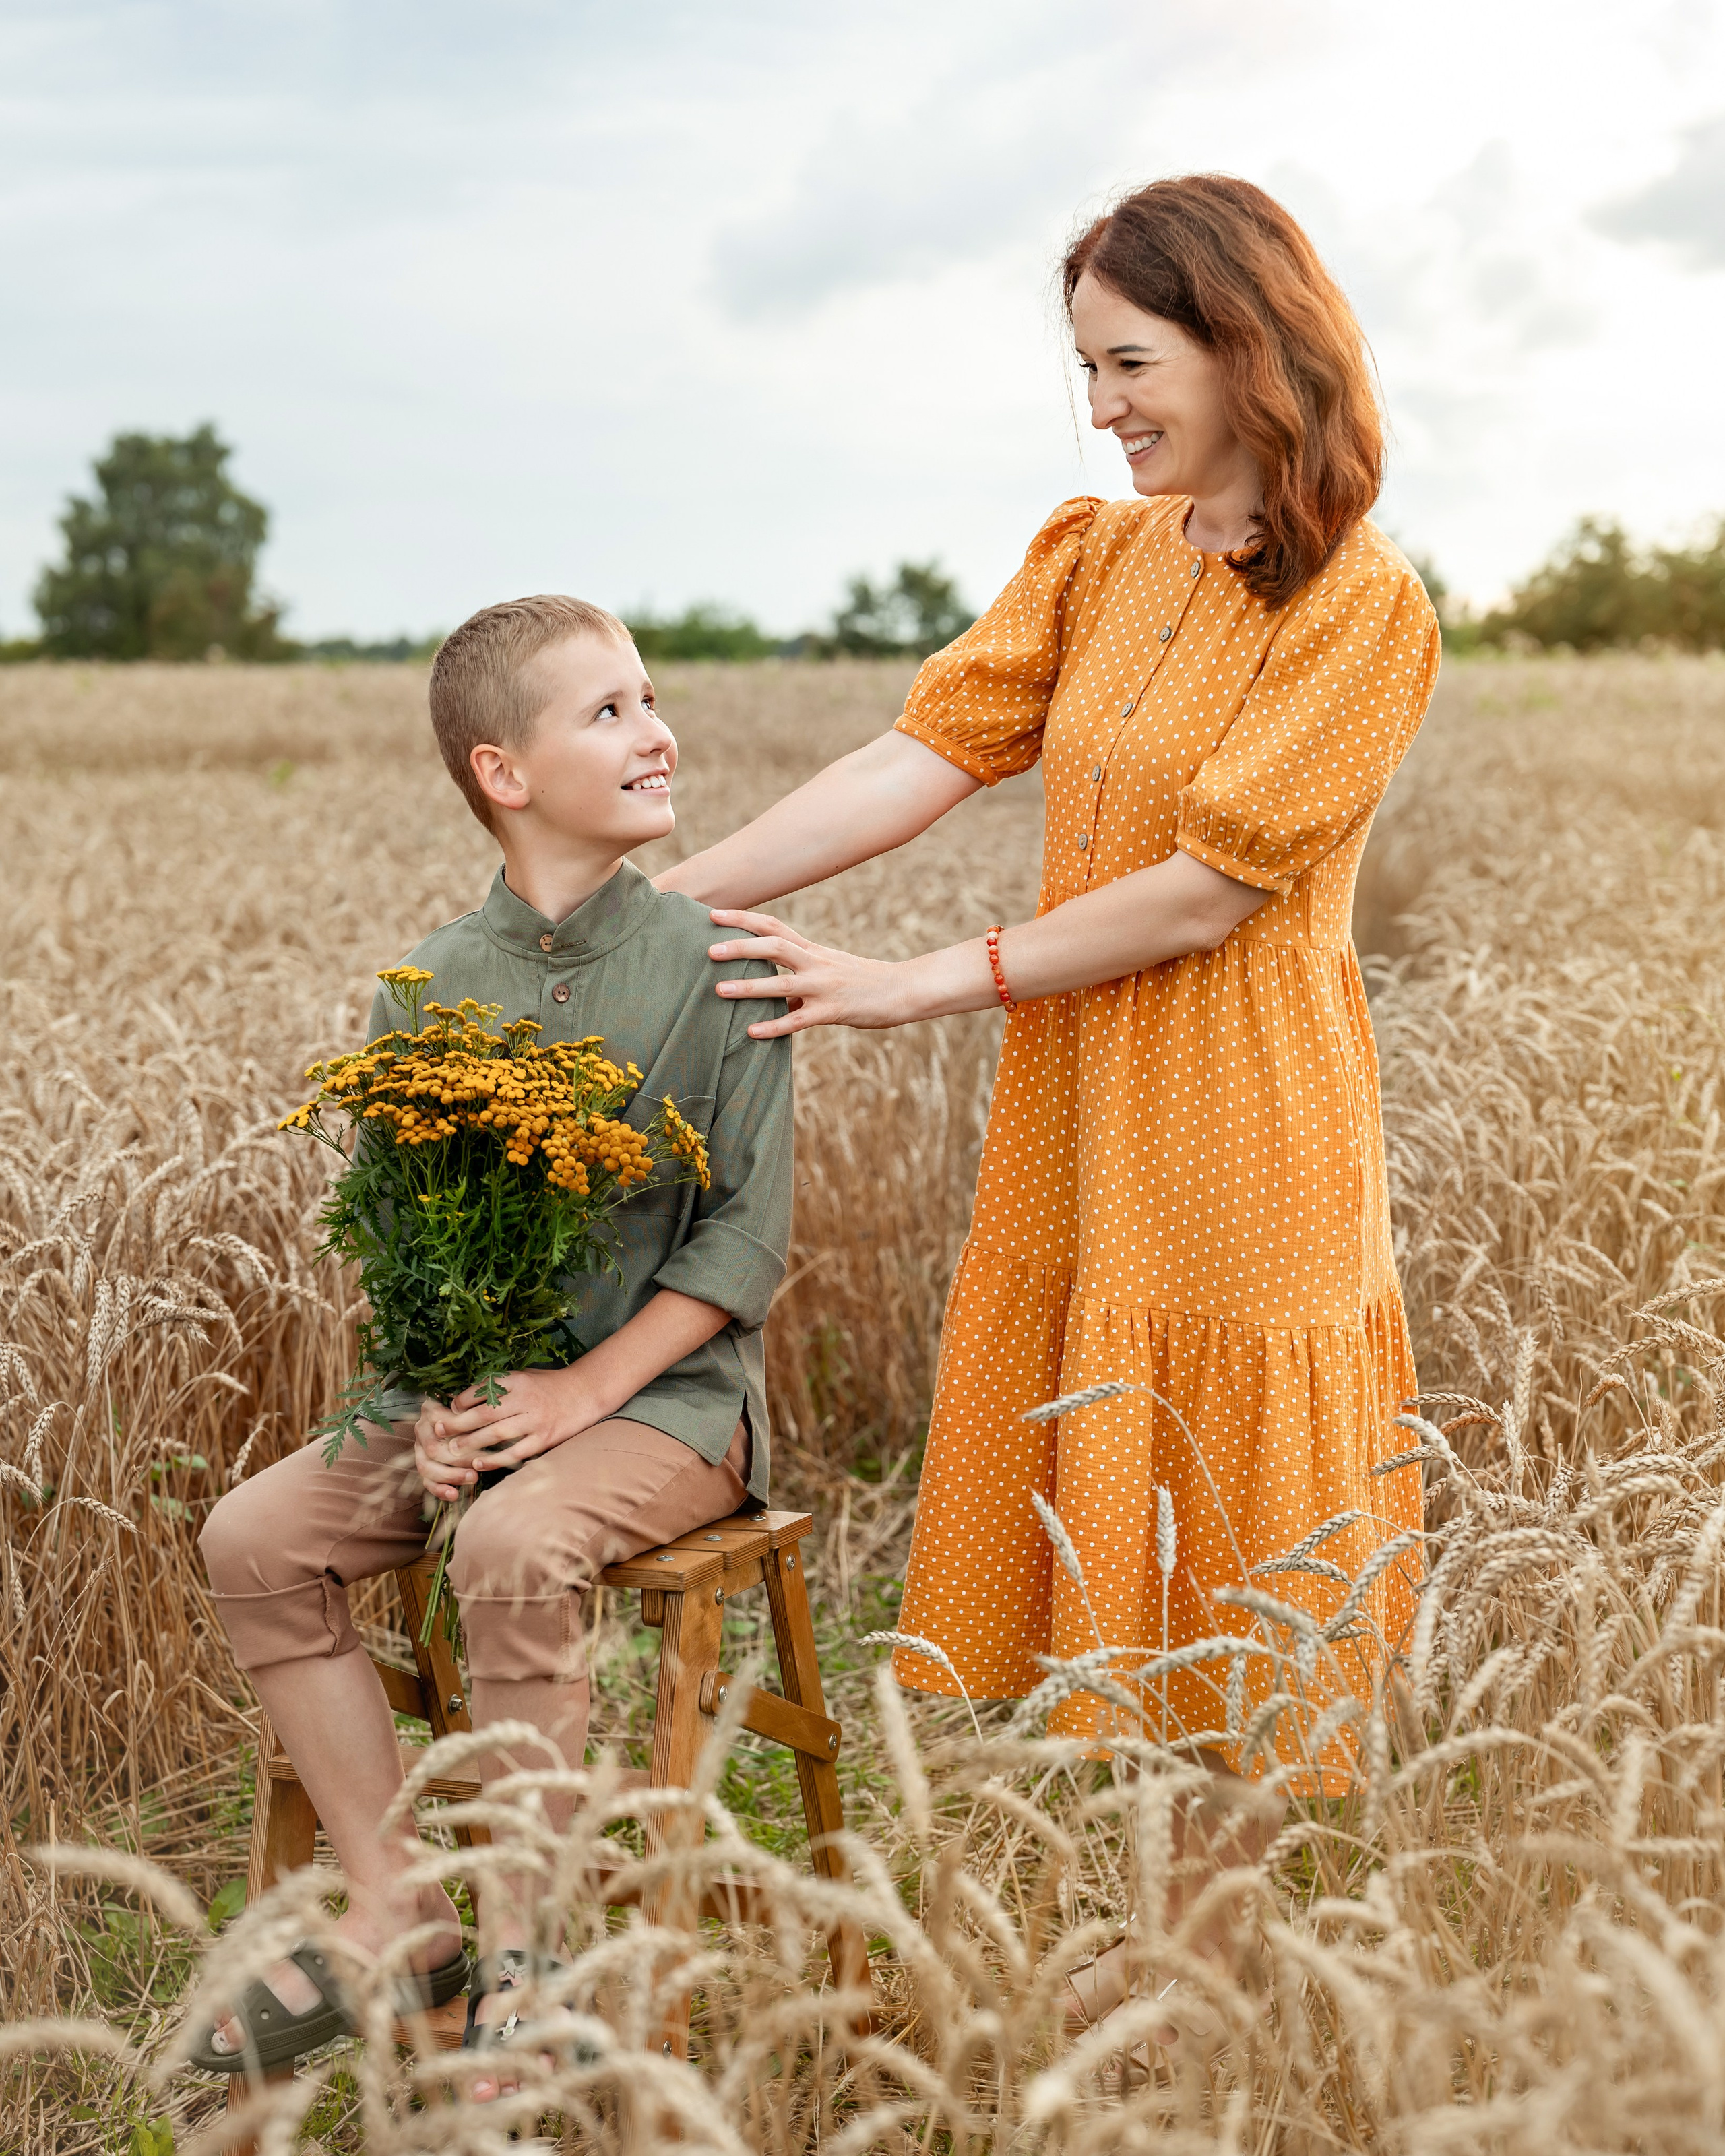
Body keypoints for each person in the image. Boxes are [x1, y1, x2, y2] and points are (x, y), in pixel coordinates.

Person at [658, 174, 1441, 2045]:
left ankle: (1209, 1960)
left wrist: (917, 985)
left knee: (1233, 1502)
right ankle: (1177, 1947)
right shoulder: (1100, 555)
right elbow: (917, 754)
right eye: (1085, 366)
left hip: (1242, 1108)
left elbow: (1205, 889)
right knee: (1128, 1471)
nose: (1100, 406)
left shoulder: (1362, 605)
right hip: (1084, 1092)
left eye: (1130, 362)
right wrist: (667, 912)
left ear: (1253, 341)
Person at [193, 595, 792, 2091]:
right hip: (465, 1400)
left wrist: (578, 1391)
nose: (656, 729)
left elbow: (743, 1244)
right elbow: (406, 1241)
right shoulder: (428, 984)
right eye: (607, 711)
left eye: (650, 697)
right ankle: (408, 1933)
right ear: (502, 773)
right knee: (251, 1536)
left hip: (665, 1410)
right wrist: (445, 1406)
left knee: (511, 1547)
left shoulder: (725, 968)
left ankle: (534, 1966)